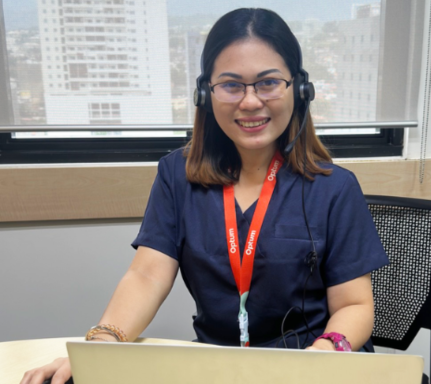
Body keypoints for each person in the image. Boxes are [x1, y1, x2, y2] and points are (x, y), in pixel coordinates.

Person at [21, 8, 388, 384]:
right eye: (231, 85)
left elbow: (355, 305)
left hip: (311, 366)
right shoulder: (176, 177)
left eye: (268, 83)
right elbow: (147, 275)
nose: (249, 101)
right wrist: (100, 345)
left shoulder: (334, 188)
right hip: (217, 367)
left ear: (298, 88)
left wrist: (320, 357)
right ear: (204, 94)